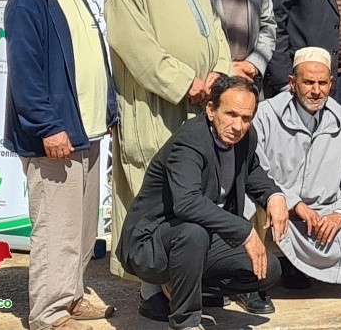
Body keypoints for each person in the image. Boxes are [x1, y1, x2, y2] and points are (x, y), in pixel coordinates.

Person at [106, 0, 232, 281]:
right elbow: (131, 40)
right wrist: (182, 82)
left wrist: (219, 73)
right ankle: (151, 288)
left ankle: (186, 279)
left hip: (199, 101)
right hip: (156, 104)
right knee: (154, 195)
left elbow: (214, 28)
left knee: (191, 192)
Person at [5, 0, 117, 330]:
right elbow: (25, 75)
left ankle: (71, 295)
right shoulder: (28, 1)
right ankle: (49, 313)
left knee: (82, 228)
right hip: (55, 136)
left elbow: (90, 56)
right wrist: (47, 127)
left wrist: (108, 111)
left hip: (85, 131)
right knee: (56, 229)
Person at [117, 76, 288, 330]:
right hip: (153, 241)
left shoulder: (244, 137)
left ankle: (181, 287)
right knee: (193, 233)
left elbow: (251, 170)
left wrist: (274, 196)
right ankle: (184, 320)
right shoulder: (190, 141)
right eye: (230, 114)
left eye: (246, 118)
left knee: (267, 269)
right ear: (210, 109)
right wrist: (245, 231)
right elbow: (187, 203)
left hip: (202, 237)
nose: (237, 125)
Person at [251, 48, 341, 290]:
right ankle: (260, 276)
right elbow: (255, 168)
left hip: (323, 213)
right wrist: (293, 204)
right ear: (292, 83)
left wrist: (340, 213)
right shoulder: (266, 115)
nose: (316, 90)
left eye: (322, 83)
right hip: (277, 207)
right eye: (308, 82)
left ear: (331, 83)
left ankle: (302, 265)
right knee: (250, 211)